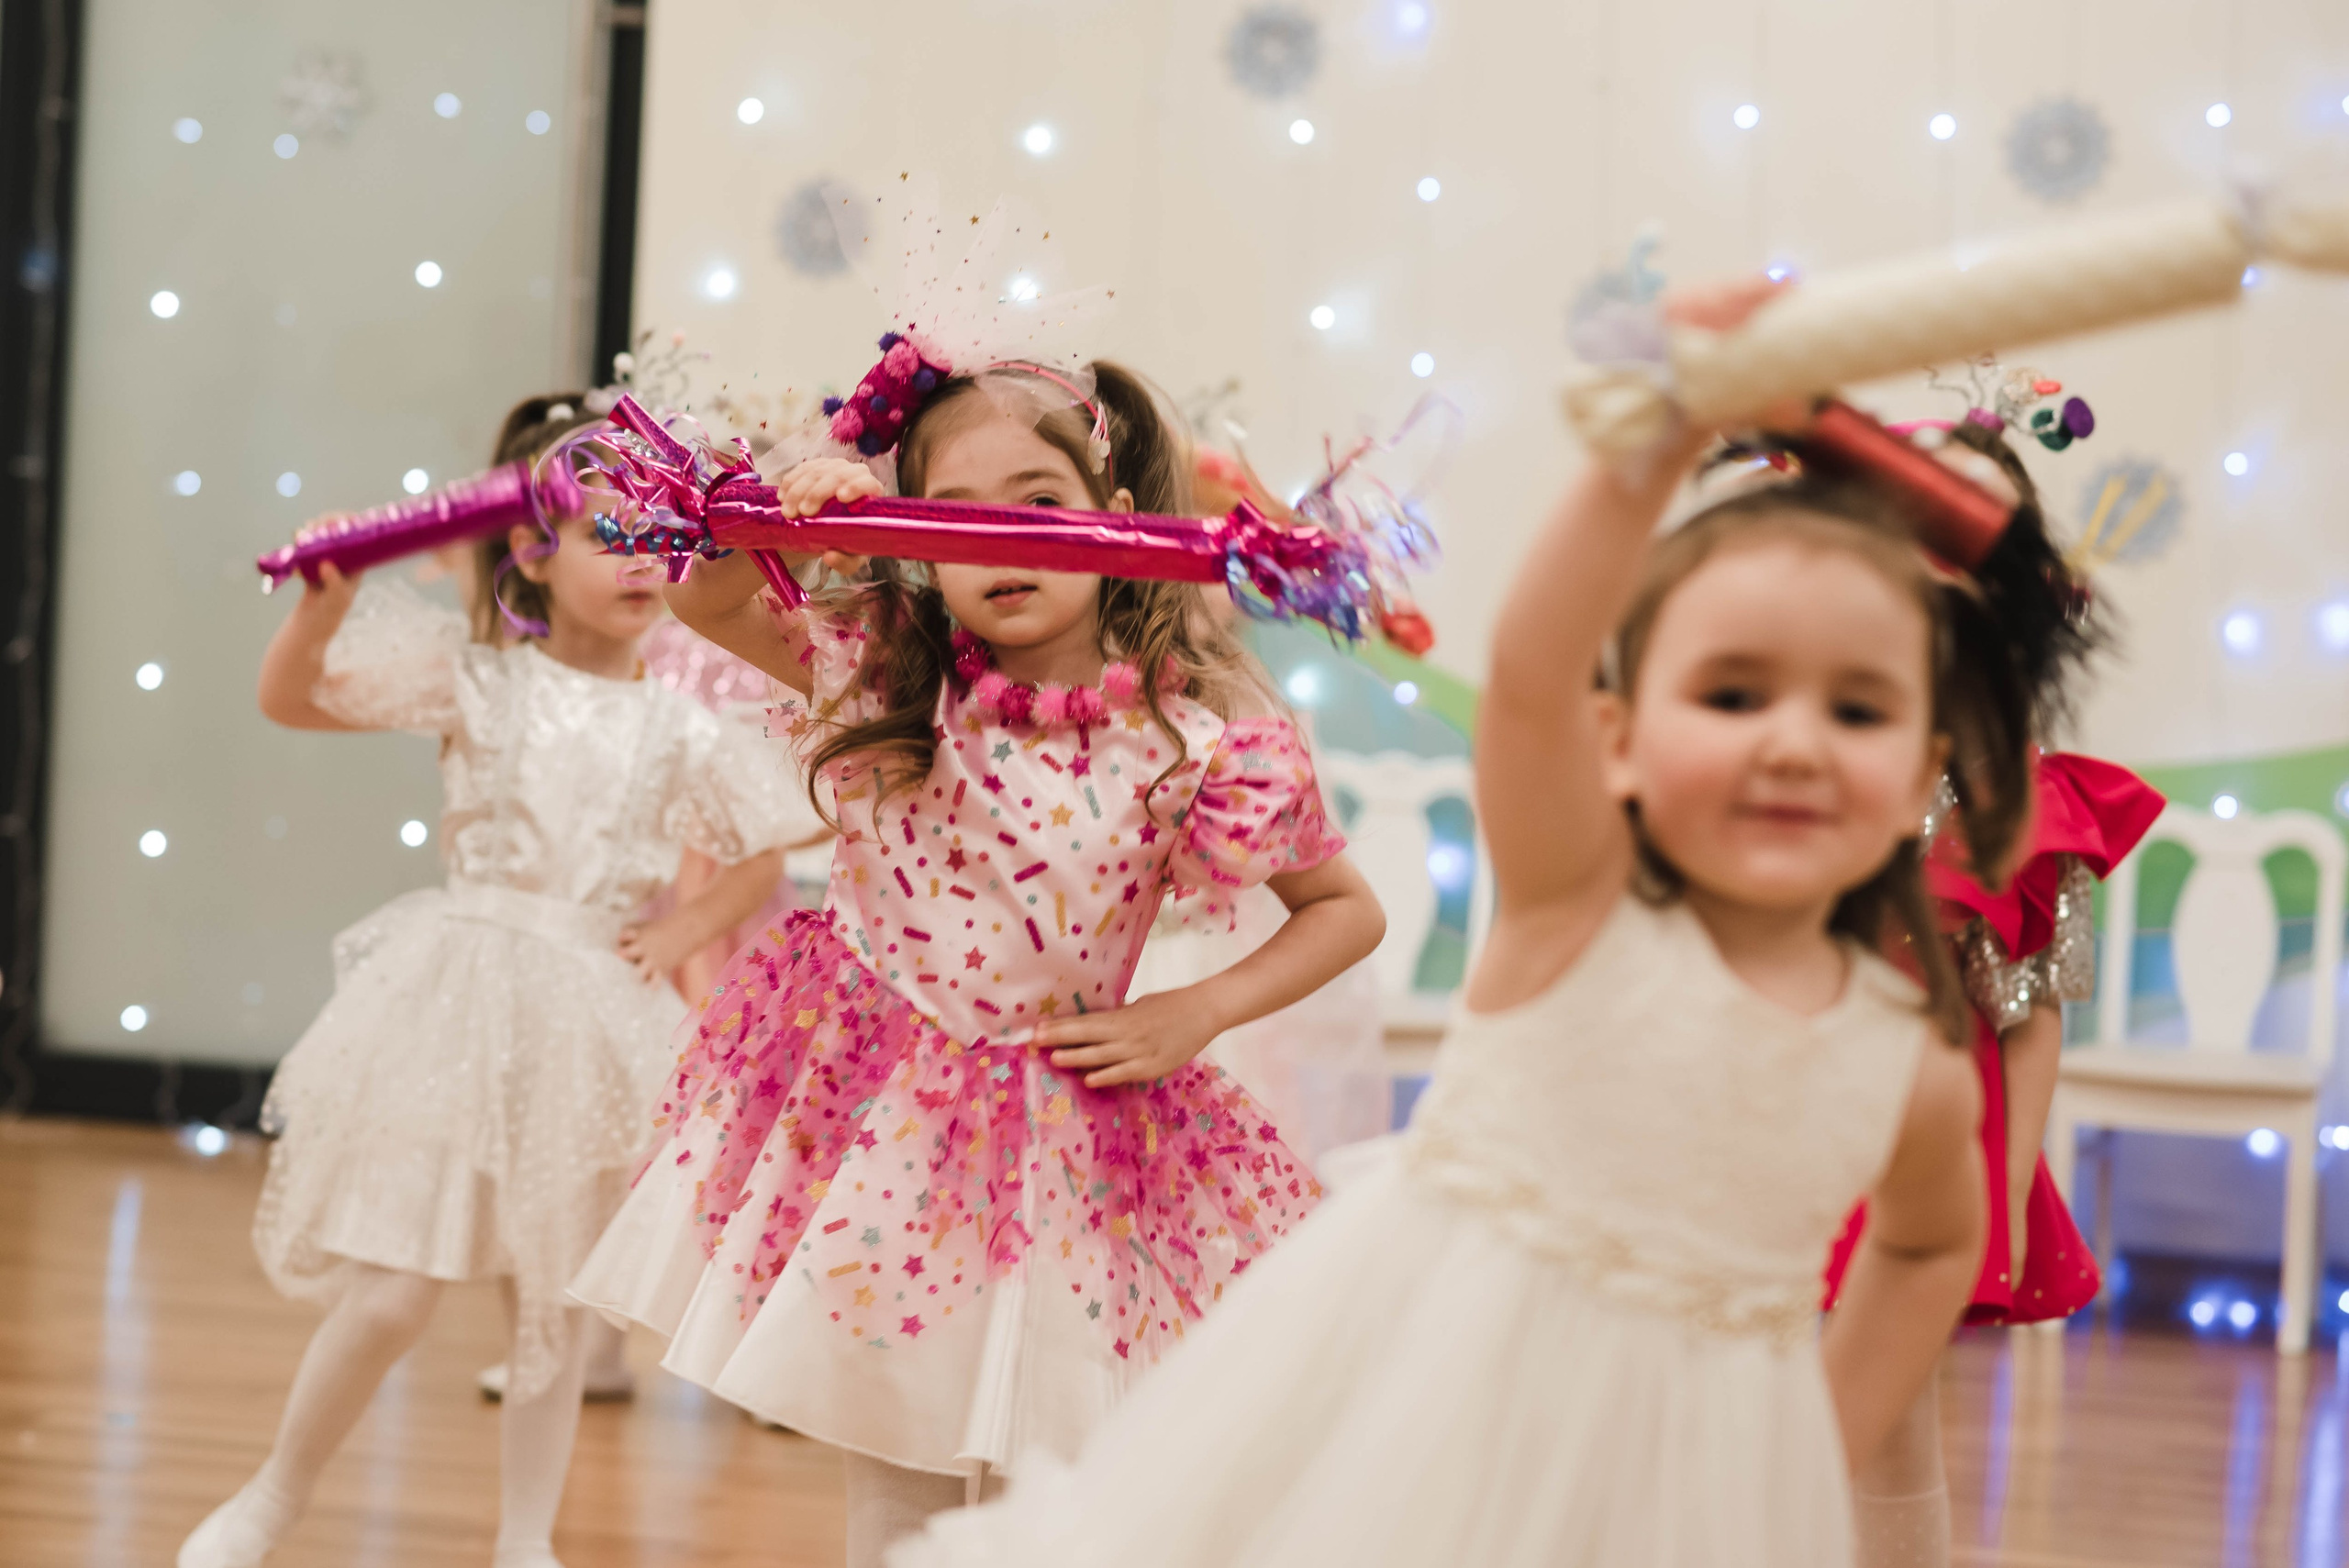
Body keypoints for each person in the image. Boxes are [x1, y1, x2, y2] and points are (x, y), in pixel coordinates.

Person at [892, 276, 2026, 1567]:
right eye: (1732, 692)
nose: (1792, 742)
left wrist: (1810, 1444)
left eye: (1859, 711)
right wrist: (1654, 439)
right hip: (1422, 1406)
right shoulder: (1575, 908)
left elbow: (1934, 1241)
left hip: (1682, 1481)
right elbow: (1540, 666)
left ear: (1928, 758)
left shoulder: (1909, 1057)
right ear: (1620, 738)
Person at [568, 350, 1386, 1567]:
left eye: (1041, 508)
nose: (1007, 546)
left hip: (1076, 1147)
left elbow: (1344, 909)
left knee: (1049, 1479)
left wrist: (1200, 1008)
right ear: (919, 542)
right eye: (960, 516)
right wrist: (798, 498)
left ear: (1116, 522)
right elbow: (707, 600)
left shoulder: (1198, 735)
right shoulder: (886, 677)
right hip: (883, 1133)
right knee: (892, 1476)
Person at [179, 394, 812, 1568]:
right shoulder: (482, 685)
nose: (635, 562)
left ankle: (526, 1538)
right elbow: (293, 698)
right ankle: (272, 1495)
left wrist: (681, 935)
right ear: (534, 550)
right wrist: (320, 613)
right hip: (456, 1002)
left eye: (651, 537)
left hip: (590, 1018)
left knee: (552, 1307)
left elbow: (767, 850)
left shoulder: (680, 727)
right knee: (390, 1291)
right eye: (603, 534)